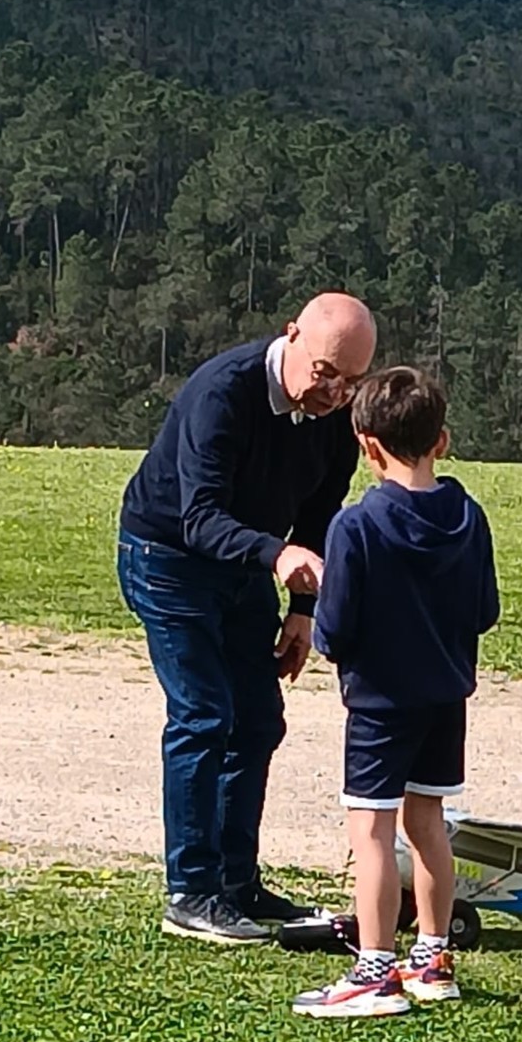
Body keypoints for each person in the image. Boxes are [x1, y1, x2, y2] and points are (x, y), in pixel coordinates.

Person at [117, 293, 378, 945]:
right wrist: (276, 555)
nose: (335, 393)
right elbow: (198, 517)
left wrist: (303, 611)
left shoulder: (333, 417)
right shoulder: (222, 393)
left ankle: (236, 884)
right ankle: (191, 892)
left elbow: (320, 511)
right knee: (204, 716)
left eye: (351, 382)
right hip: (167, 556)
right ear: (291, 336)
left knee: (258, 720)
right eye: (325, 373)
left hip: (247, 564)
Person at [293, 366, 500, 1018]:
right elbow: (485, 612)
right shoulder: (469, 518)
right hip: (446, 700)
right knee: (428, 825)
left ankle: (374, 970)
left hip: (380, 706)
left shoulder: (354, 527)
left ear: (366, 445)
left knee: (372, 833)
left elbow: (332, 633)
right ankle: (432, 959)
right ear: (442, 441)